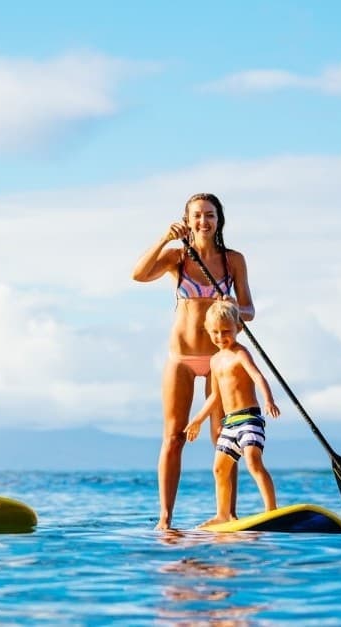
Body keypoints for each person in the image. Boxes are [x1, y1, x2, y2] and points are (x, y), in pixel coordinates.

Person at [131, 193, 255, 530]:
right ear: (187, 220)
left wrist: (233, 308)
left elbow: (250, 311)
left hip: (221, 360)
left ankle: (226, 515)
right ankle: (165, 519)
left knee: (224, 436)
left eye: (210, 215)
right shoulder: (178, 257)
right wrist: (163, 239)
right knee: (173, 436)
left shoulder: (234, 261)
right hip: (182, 358)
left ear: (219, 220)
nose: (204, 221)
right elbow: (138, 275)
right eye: (197, 215)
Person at [184, 301, 280, 525]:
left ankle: (271, 510)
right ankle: (223, 514)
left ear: (239, 328)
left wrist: (268, 399)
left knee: (253, 461)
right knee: (219, 468)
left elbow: (258, 376)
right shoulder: (215, 360)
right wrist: (197, 420)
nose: (220, 336)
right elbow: (215, 397)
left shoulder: (240, 354)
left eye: (226, 331)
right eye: (215, 332)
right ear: (208, 331)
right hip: (229, 424)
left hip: (249, 418)